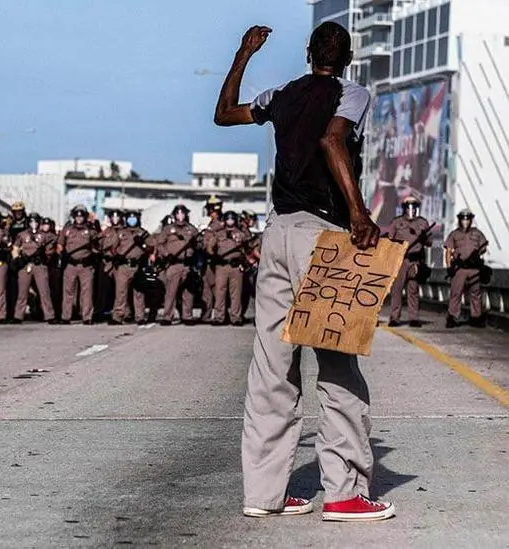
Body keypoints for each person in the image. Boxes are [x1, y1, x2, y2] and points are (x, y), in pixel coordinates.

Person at [215, 22, 393, 521]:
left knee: (272, 366)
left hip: (277, 231)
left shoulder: (282, 94)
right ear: (349, 57)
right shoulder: (350, 92)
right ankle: (343, 493)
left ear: (308, 53)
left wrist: (243, 53)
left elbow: (224, 113)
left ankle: (264, 494)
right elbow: (333, 141)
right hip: (323, 236)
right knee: (336, 364)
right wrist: (359, 213)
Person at [386, 196, 432, 327]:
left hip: (415, 260)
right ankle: (394, 317)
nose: (411, 209)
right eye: (408, 206)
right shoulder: (396, 222)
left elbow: (429, 243)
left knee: (413, 289)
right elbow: (390, 241)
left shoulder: (423, 223)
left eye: (413, 206)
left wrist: (424, 238)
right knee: (397, 289)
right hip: (400, 260)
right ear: (404, 208)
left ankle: (414, 318)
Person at [106, 210, 153, 325]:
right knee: (121, 292)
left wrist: (142, 244)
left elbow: (151, 248)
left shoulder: (143, 233)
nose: (132, 220)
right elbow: (112, 247)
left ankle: (140, 317)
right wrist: (116, 256)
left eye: (134, 218)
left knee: (139, 293)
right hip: (123, 266)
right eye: (129, 218)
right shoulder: (121, 232)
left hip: (137, 265)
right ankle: (118, 316)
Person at [155, 204, 199, 326]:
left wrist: (197, 244)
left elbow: (200, 245)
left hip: (187, 264)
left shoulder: (191, 229)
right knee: (171, 292)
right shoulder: (168, 229)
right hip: (173, 264)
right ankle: (167, 316)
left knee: (188, 293)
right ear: (174, 215)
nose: (180, 216)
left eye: (182, 213)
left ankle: (187, 316)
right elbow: (159, 244)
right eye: (178, 213)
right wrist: (166, 254)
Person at [205, 210, 249, 326]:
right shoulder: (219, 234)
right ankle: (219, 317)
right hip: (221, 266)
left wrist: (243, 260)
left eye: (232, 219)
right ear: (224, 221)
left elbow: (247, 248)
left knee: (236, 293)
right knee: (220, 292)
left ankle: (236, 317)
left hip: (235, 267)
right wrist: (214, 256)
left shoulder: (241, 234)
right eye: (228, 219)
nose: (230, 221)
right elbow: (210, 247)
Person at [445, 209, 488, 328]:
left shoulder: (477, 233)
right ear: (459, 220)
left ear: (471, 220)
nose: (465, 221)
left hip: (474, 269)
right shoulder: (454, 234)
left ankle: (476, 318)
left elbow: (483, 248)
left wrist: (477, 254)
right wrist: (449, 267)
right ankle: (452, 317)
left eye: (467, 219)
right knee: (456, 293)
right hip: (460, 269)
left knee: (476, 293)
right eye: (463, 219)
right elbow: (448, 251)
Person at [12, 212, 57, 324]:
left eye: (36, 221)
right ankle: (18, 316)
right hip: (25, 265)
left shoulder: (44, 235)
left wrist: (45, 256)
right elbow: (15, 248)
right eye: (32, 221)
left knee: (44, 291)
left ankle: (49, 315)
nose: (34, 223)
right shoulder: (22, 235)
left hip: (39, 265)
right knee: (22, 292)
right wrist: (17, 259)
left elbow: (51, 248)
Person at [57, 205, 99, 324]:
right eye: (77, 215)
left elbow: (97, 246)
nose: (79, 218)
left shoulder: (90, 230)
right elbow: (60, 244)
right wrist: (62, 254)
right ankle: (66, 316)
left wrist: (93, 254)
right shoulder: (67, 229)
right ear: (74, 216)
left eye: (81, 216)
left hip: (86, 265)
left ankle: (87, 317)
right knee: (68, 291)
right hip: (70, 264)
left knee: (87, 292)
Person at [201, 196, 225, 323]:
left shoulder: (222, 223)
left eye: (211, 209)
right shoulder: (211, 224)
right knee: (207, 288)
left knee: (218, 289)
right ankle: (206, 314)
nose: (210, 212)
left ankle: (221, 315)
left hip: (217, 260)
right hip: (208, 261)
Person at [97, 209, 123, 321]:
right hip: (107, 263)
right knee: (103, 288)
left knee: (120, 290)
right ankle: (101, 311)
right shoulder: (106, 231)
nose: (115, 219)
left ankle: (119, 313)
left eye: (117, 217)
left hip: (119, 263)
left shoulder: (124, 231)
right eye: (113, 217)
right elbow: (98, 243)